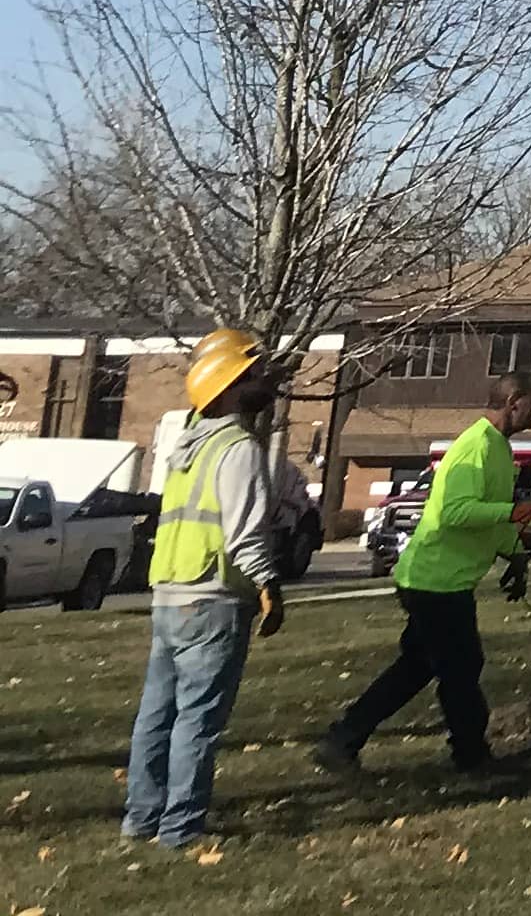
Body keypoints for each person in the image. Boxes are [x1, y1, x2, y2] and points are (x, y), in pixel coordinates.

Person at [320, 371, 531, 777]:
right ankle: (470, 755)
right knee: (461, 668)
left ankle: (343, 740)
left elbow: (488, 518)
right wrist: (512, 513)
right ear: (515, 402)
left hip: (444, 580)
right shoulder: (474, 447)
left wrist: (515, 556)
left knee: (417, 668)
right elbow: (456, 513)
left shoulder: (499, 450)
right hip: (433, 582)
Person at [125, 329, 289, 848]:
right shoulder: (238, 448)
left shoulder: (184, 448)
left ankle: (141, 819)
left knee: (156, 715)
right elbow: (245, 532)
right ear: (230, 384)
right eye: (255, 373)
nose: (265, 381)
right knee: (197, 720)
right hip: (213, 601)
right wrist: (269, 585)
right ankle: (180, 829)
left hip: (169, 596)